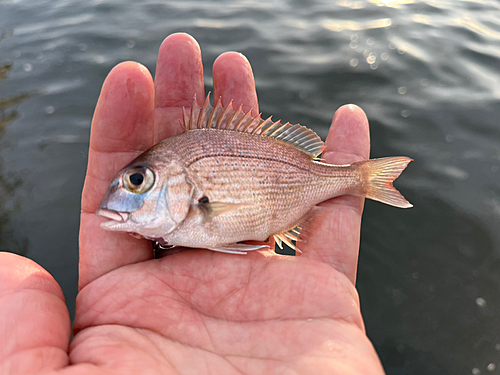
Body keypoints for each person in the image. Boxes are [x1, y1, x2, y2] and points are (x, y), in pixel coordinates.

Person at [0, 33, 385, 374]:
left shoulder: (196, 205)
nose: (124, 193)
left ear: (181, 186)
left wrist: (349, 177)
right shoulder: (184, 207)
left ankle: (362, 178)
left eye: (138, 181)